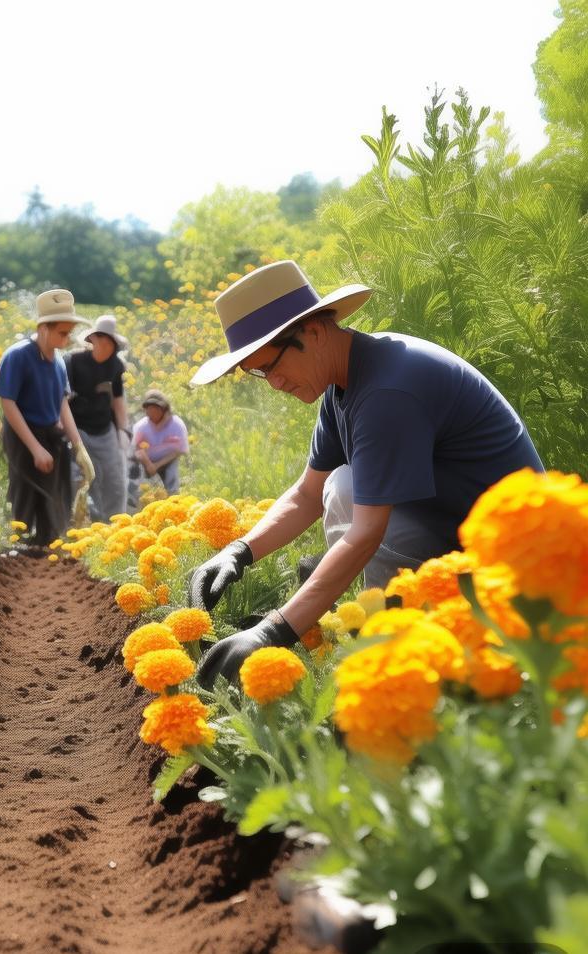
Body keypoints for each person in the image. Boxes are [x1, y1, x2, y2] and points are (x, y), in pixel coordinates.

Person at [187, 259, 544, 689]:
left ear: (314, 332)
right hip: (454, 533)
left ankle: (396, 664)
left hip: (515, 571)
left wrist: (275, 631)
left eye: (272, 365)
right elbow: (306, 495)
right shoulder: (345, 384)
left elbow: (366, 534)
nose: (274, 383)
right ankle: (378, 634)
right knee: (340, 487)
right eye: (259, 374)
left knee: (350, 497)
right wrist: (239, 551)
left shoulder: (387, 391)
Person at [0, 288, 95, 546]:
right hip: (22, 435)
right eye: (62, 332)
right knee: (25, 498)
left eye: (69, 332)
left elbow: (63, 405)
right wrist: (35, 449)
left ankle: (49, 555)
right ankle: (19, 555)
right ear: (43, 329)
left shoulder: (59, 362)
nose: (67, 338)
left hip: (51, 434)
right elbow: (8, 403)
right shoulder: (17, 356)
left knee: (54, 501)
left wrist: (79, 447)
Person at [65, 314, 130, 522]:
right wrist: (65, 432)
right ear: (92, 340)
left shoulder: (116, 366)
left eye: (108, 340)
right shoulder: (73, 362)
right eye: (99, 338)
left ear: (113, 344)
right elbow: (62, 400)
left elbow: (118, 401)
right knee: (81, 478)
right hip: (77, 429)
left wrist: (123, 431)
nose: (103, 344)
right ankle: (79, 524)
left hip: (105, 430)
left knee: (116, 482)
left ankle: (114, 525)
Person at [127, 389, 189, 507]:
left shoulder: (176, 424)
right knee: (137, 480)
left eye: (155, 407)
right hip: (145, 462)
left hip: (168, 460)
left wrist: (157, 465)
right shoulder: (141, 426)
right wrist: (149, 464)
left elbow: (179, 450)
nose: (151, 411)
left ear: (164, 408)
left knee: (172, 476)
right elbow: (137, 449)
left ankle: (173, 504)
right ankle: (139, 505)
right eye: (148, 408)